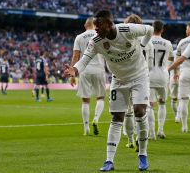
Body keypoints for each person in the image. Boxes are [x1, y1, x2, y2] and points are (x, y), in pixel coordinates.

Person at [64, 10, 153, 171]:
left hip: (139, 76)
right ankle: (109, 160)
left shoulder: (127, 30)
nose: (96, 29)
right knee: (117, 117)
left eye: (99, 25)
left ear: (109, 24)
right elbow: (84, 60)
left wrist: (142, 45)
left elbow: (149, 30)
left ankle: (143, 154)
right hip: (118, 80)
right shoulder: (96, 41)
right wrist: (75, 70)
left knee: (139, 111)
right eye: (95, 26)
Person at [122, 14, 154, 149]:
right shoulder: (149, 42)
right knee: (142, 109)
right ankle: (139, 137)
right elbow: (151, 64)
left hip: (126, 76)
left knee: (128, 110)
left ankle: (130, 140)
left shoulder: (124, 39)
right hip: (142, 77)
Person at [70, 17, 106, 136]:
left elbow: (76, 56)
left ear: (85, 25)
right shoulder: (101, 35)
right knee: (100, 97)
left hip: (84, 70)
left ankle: (86, 128)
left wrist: (72, 73)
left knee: (85, 100)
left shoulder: (79, 37)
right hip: (99, 69)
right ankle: (95, 119)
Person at [148, 20, 173, 139]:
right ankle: (161, 130)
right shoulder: (168, 43)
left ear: (152, 29)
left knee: (150, 106)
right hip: (163, 76)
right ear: (162, 30)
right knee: (162, 104)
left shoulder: (147, 41)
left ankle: (152, 133)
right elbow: (171, 59)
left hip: (149, 76)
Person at [175, 22, 190, 132]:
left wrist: (175, 72)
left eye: (186, 29)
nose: (185, 31)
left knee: (183, 100)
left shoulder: (182, 42)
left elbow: (177, 59)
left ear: (189, 30)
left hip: (184, 72)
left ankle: (184, 127)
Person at [169, 50, 180, 123]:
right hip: (182, 76)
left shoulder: (172, 53)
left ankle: (177, 115)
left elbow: (169, 65)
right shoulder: (187, 51)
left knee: (174, 98)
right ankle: (178, 115)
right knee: (183, 99)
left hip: (174, 77)